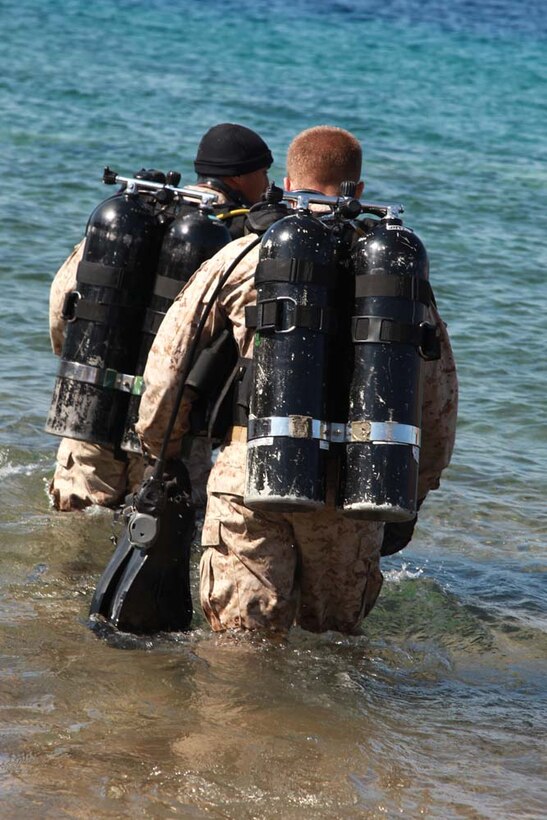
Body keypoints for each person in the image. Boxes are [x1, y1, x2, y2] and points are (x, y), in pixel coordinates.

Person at [135, 125, 458, 634]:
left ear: (285, 183)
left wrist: (165, 455)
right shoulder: (395, 277)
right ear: (359, 190)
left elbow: (168, 368)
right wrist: (409, 495)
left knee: (239, 655)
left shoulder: (246, 255)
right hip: (355, 490)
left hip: (249, 476)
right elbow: (437, 407)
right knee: (332, 655)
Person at [48, 123, 273, 512]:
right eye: (264, 172)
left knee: (72, 542)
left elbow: (63, 298)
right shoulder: (233, 242)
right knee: (159, 554)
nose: (268, 183)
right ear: (239, 175)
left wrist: (81, 364)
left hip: (91, 411)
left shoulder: (140, 217)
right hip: (173, 437)